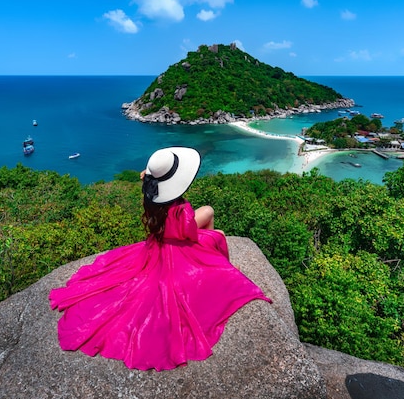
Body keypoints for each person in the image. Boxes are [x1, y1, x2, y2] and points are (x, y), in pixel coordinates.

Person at [49, 146, 271, 371]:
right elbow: (189, 234)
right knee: (214, 222)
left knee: (209, 219)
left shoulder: (150, 195)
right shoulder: (180, 208)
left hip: (158, 246)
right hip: (180, 250)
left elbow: (150, 183)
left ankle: (217, 257)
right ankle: (219, 261)